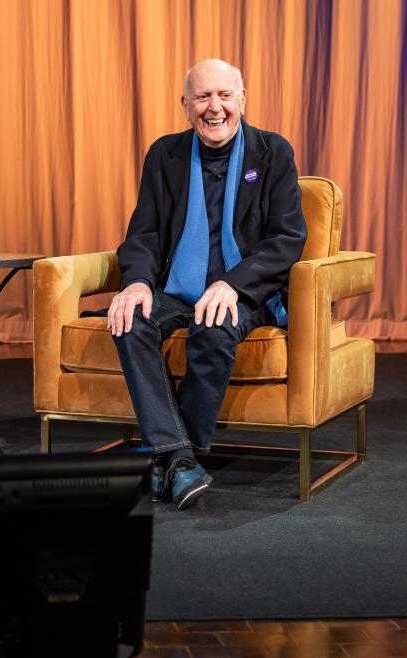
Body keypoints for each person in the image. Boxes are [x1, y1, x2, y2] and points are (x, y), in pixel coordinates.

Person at [108, 58, 307, 509]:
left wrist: (232, 285)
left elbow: (287, 238)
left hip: (246, 290)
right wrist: (137, 282)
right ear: (185, 105)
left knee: (215, 327)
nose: (213, 107)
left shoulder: (273, 152)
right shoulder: (165, 154)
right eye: (202, 96)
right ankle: (179, 459)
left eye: (224, 95)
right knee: (128, 320)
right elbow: (144, 233)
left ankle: (173, 459)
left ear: (242, 100)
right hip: (176, 288)